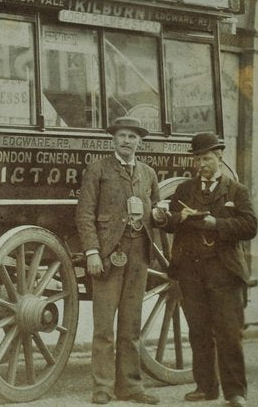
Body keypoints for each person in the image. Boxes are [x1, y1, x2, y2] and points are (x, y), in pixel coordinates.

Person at [162, 132, 257, 407]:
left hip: (224, 272)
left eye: (207, 158)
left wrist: (217, 223)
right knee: (199, 330)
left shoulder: (236, 191)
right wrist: (177, 217)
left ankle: (235, 392)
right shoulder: (184, 191)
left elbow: (250, 226)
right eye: (198, 159)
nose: (202, 164)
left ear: (219, 158)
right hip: (191, 271)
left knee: (229, 332)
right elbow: (170, 222)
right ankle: (205, 387)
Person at [75, 116, 165, 405]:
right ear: (113, 139)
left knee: (131, 325)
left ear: (140, 141)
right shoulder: (98, 169)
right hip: (108, 256)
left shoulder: (149, 173)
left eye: (132, 136)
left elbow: (159, 210)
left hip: (139, 253)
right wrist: (91, 252)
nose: (126, 141)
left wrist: (157, 213)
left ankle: (131, 387)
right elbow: (85, 213)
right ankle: (102, 388)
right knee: (104, 327)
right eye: (122, 135)